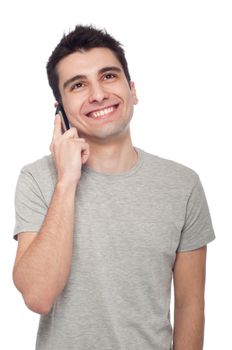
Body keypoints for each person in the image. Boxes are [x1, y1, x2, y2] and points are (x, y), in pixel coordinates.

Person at [12, 25, 215, 350]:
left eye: (108, 76)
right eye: (78, 85)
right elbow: (38, 296)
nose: (97, 94)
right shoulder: (39, 179)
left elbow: (191, 307)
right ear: (59, 108)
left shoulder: (182, 185)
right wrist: (66, 182)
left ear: (132, 89)